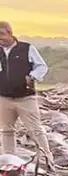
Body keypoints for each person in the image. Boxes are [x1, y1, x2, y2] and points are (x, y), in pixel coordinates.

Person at [0, 21, 53, 161]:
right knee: (7, 131)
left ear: (10, 33)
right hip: (4, 98)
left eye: (2, 35)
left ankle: (47, 161)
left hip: (26, 98)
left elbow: (42, 66)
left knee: (36, 130)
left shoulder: (26, 48)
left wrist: (32, 77)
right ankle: (9, 164)